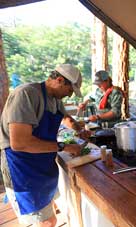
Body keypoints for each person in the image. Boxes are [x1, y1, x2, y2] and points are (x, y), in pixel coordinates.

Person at [0, 64, 88, 227]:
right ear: (60, 80)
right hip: (22, 166)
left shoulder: (55, 99)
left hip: (42, 163)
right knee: (46, 221)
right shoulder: (26, 94)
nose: (69, 95)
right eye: (69, 91)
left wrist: (78, 129)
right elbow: (20, 143)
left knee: (47, 209)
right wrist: (63, 146)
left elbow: (66, 118)